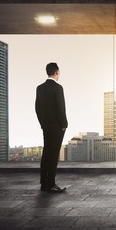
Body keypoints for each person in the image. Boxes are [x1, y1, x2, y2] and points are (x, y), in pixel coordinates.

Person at [35, 62, 68, 193]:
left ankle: (44, 183)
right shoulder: (58, 88)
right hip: (57, 127)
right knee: (53, 155)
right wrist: (64, 124)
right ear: (56, 72)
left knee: (46, 154)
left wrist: (42, 122)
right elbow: (61, 108)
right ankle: (52, 184)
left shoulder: (40, 88)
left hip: (45, 126)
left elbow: (37, 108)